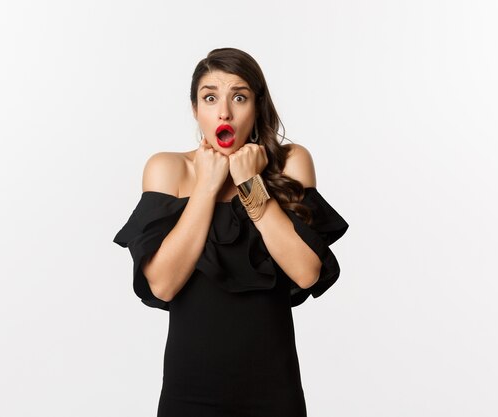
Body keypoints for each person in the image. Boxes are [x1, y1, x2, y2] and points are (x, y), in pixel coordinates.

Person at [113, 47, 349, 417]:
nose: (224, 111)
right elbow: (162, 284)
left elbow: (306, 273)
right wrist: (207, 186)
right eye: (210, 98)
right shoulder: (168, 169)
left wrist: (250, 183)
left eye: (239, 97)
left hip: (274, 391)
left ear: (256, 106)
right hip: (189, 392)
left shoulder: (291, 162)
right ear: (195, 109)